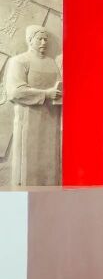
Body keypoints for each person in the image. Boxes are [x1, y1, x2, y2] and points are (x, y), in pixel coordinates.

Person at [5, 25, 62, 186]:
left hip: (51, 119)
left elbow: (60, 87)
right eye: (40, 39)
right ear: (30, 40)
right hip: (28, 119)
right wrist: (46, 94)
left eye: (46, 39)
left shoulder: (52, 63)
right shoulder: (19, 61)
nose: (44, 42)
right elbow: (15, 91)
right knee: (28, 163)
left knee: (50, 162)